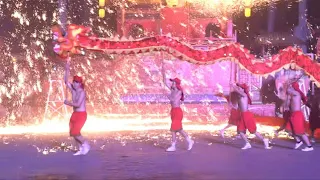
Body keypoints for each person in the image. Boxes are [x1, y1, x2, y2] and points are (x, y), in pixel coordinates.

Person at [162, 67, 194, 152]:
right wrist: (163, 70)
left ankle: (173, 146)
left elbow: (173, 99)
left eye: (173, 82)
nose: (171, 83)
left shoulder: (179, 91)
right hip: (173, 111)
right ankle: (189, 141)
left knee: (173, 129)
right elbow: (164, 82)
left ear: (176, 84)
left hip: (177, 111)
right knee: (178, 129)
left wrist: (168, 96)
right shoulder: (172, 90)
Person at [232, 83, 271, 150]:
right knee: (240, 131)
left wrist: (233, 85)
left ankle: (264, 140)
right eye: (238, 87)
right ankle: (247, 144)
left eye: (239, 88)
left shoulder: (244, 95)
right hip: (242, 115)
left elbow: (237, 91)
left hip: (247, 115)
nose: (238, 88)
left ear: (243, 89)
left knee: (253, 131)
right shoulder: (239, 96)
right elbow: (237, 106)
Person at [64, 58, 90, 155]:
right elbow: (66, 81)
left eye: (76, 82)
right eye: (74, 81)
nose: (74, 83)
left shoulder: (82, 92)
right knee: (72, 132)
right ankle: (80, 149)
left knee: (76, 132)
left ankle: (85, 144)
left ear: (80, 84)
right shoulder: (73, 90)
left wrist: (68, 103)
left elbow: (78, 104)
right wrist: (67, 67)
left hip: (81, 115)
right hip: (75, 113)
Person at [286, 82, 313, 151]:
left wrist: (288, 96)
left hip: (297, 115)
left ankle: (309, 146)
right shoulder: (292, 94)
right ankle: (298, 141)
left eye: (289, 87)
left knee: (300, 132)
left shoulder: (295, 93)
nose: (287, 88)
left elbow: (287, 103)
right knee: (288, 129)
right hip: (292, 114)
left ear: (292, 88)